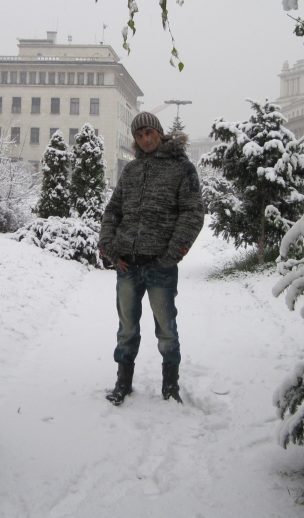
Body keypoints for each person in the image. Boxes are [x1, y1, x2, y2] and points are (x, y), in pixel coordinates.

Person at [98, 111, 204, 406]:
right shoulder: (131, 171)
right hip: (127, 265)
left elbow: (193, 213)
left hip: (161, 266)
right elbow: (113, 211)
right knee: (127, 329)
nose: (145, 140)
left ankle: (170, 387)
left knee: (166, 330)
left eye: (149, 133)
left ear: (159, 132)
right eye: (139, 135)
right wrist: (109, 246)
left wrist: (171, 255)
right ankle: (123, 383)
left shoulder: (182, 168)